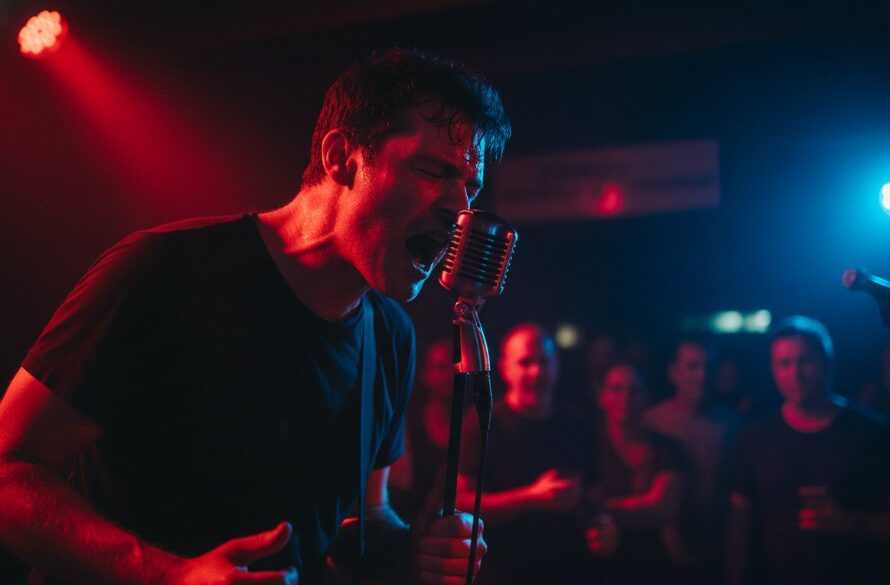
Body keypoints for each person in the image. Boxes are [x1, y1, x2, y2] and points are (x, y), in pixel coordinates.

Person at [0, 48, 511, 585]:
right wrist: (167, 574)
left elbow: (360, 521)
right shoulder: (164, 272)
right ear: (342, 158)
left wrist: (416, 547)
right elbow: (10, 470)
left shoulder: (390, 336)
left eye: (470, 188)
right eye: (433, 170)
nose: (461, 211)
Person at [726, 315, 890, 585]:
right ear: (773, 370)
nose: (795, 373)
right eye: (784, 364)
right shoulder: (754, 438)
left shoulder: (872, 433)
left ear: (827, 362)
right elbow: (739, 526)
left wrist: (851, 523)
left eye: (805, 361)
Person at [456, 323, 594, 585]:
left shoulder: (578, 425)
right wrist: (531, 498)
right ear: (506, 368)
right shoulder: (482, 422)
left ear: (557, 365)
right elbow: (461, 502)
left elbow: (594, 497)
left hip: (569, 570)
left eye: (544, 361)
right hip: (502, 572)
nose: (536, 372)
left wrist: (602, 524)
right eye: (525, 362)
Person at [642, 337, 737, 579]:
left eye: (709, 366)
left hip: (720, 551)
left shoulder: (732, 425)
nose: (702, 375)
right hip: (656, 555)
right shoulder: (652, 422)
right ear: (674, 373)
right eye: (693, 366)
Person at [585, 362, 687, 585]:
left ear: (647, 396)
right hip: (599, 571)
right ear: (602, 396)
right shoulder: (587, 448)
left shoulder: (668, 448)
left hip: (656, 569)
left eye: (634, 390)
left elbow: (661, 508)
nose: (626, 397)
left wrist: (600, 509)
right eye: (616, 389)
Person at [388, 338, 453, 521]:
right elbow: (400, 485)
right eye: (441, 367)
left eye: (456, 367)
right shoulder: (408, 422)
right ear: (425, 374)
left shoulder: (477, 422)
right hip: (411, 521)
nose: (450, 375)